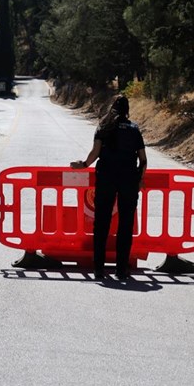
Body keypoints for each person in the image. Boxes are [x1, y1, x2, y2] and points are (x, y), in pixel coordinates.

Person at [71, 95, 147, 280]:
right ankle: (121, 270)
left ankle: (98, 269)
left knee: (102, 224)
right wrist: (140, 179)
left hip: (106, 178)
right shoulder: (134, 129)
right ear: (127, 110)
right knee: (125, 225)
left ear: (112, 107)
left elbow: (95, 153)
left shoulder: (104, 127)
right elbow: (143, 160)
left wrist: (83, 164)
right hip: (128, 179)